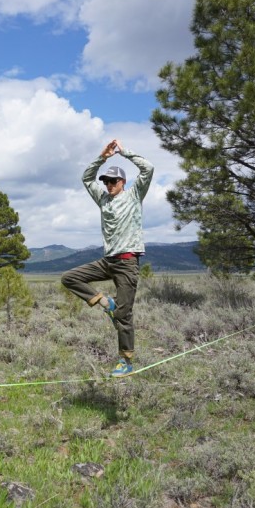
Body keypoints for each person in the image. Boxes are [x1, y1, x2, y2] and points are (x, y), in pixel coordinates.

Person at [61, 139, 154, 378]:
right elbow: (86, 178)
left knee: (124, 315)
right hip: (107, 261)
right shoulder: (102, 200)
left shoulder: (134, 195)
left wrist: (124, 153)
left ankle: (126, 361)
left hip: (127, 263)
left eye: (113, 181)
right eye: (106, 181)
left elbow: (148, 168)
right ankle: (106, 303)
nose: (109, 184)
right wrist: (102, 157)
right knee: (69, 278)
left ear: (123, 182)